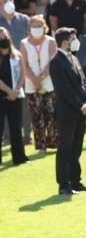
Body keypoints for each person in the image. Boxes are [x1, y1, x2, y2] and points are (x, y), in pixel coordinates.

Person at [50, 28, 86, 195]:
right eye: (72, 38)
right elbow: (64, 89)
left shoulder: (74, 58)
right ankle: (64, 184)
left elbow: (84, 83)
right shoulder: (56, 61)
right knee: (65, 148)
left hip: (81, 110)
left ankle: (76, 181)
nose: (75, 41)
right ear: (64, 41)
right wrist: (80, 105)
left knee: (76, 148)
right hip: (68, 111)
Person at [21, 16, 57, 153]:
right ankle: (41, 146)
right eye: (34, 26)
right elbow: (24, 64)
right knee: (37, 116)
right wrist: (34, 80)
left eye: (39, 25)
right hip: (31, 84)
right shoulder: (24, 43)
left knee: (52, 114)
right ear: (29, 28)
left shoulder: (51, 41)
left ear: (44, 27)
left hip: (49, 82)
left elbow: (52, 62)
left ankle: (53, 142)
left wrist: (41, 78)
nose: (37, 28)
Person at [0, 27, 27, 166]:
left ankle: (19, 157)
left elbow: (23, 74)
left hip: (16, 96)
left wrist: (16, 90)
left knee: (16, 128)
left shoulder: (17, 54)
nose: (2, 38)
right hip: (2, 96)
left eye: (3, 35)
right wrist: (8, 91)